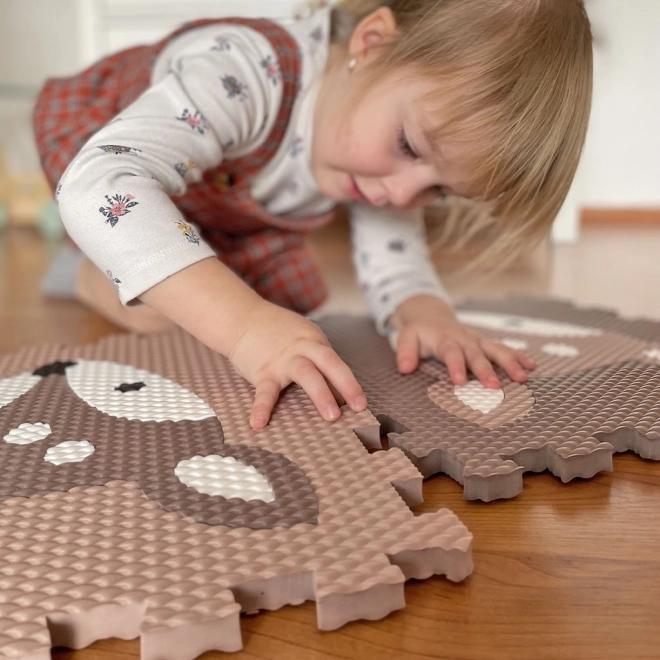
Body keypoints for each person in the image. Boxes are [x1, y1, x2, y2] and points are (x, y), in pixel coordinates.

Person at [33, 0, 593, 429]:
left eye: (440, 192)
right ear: (370, 45)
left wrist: (426, 314)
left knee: (271, 308)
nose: (399, 196)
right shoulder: (244, 74)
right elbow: (101, 184)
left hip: (222, 210)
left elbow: (392, 254)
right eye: (409, 147)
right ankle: (84, 270)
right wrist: (246, 327)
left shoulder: (377, 147)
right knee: (179, 313)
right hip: (117, 164)